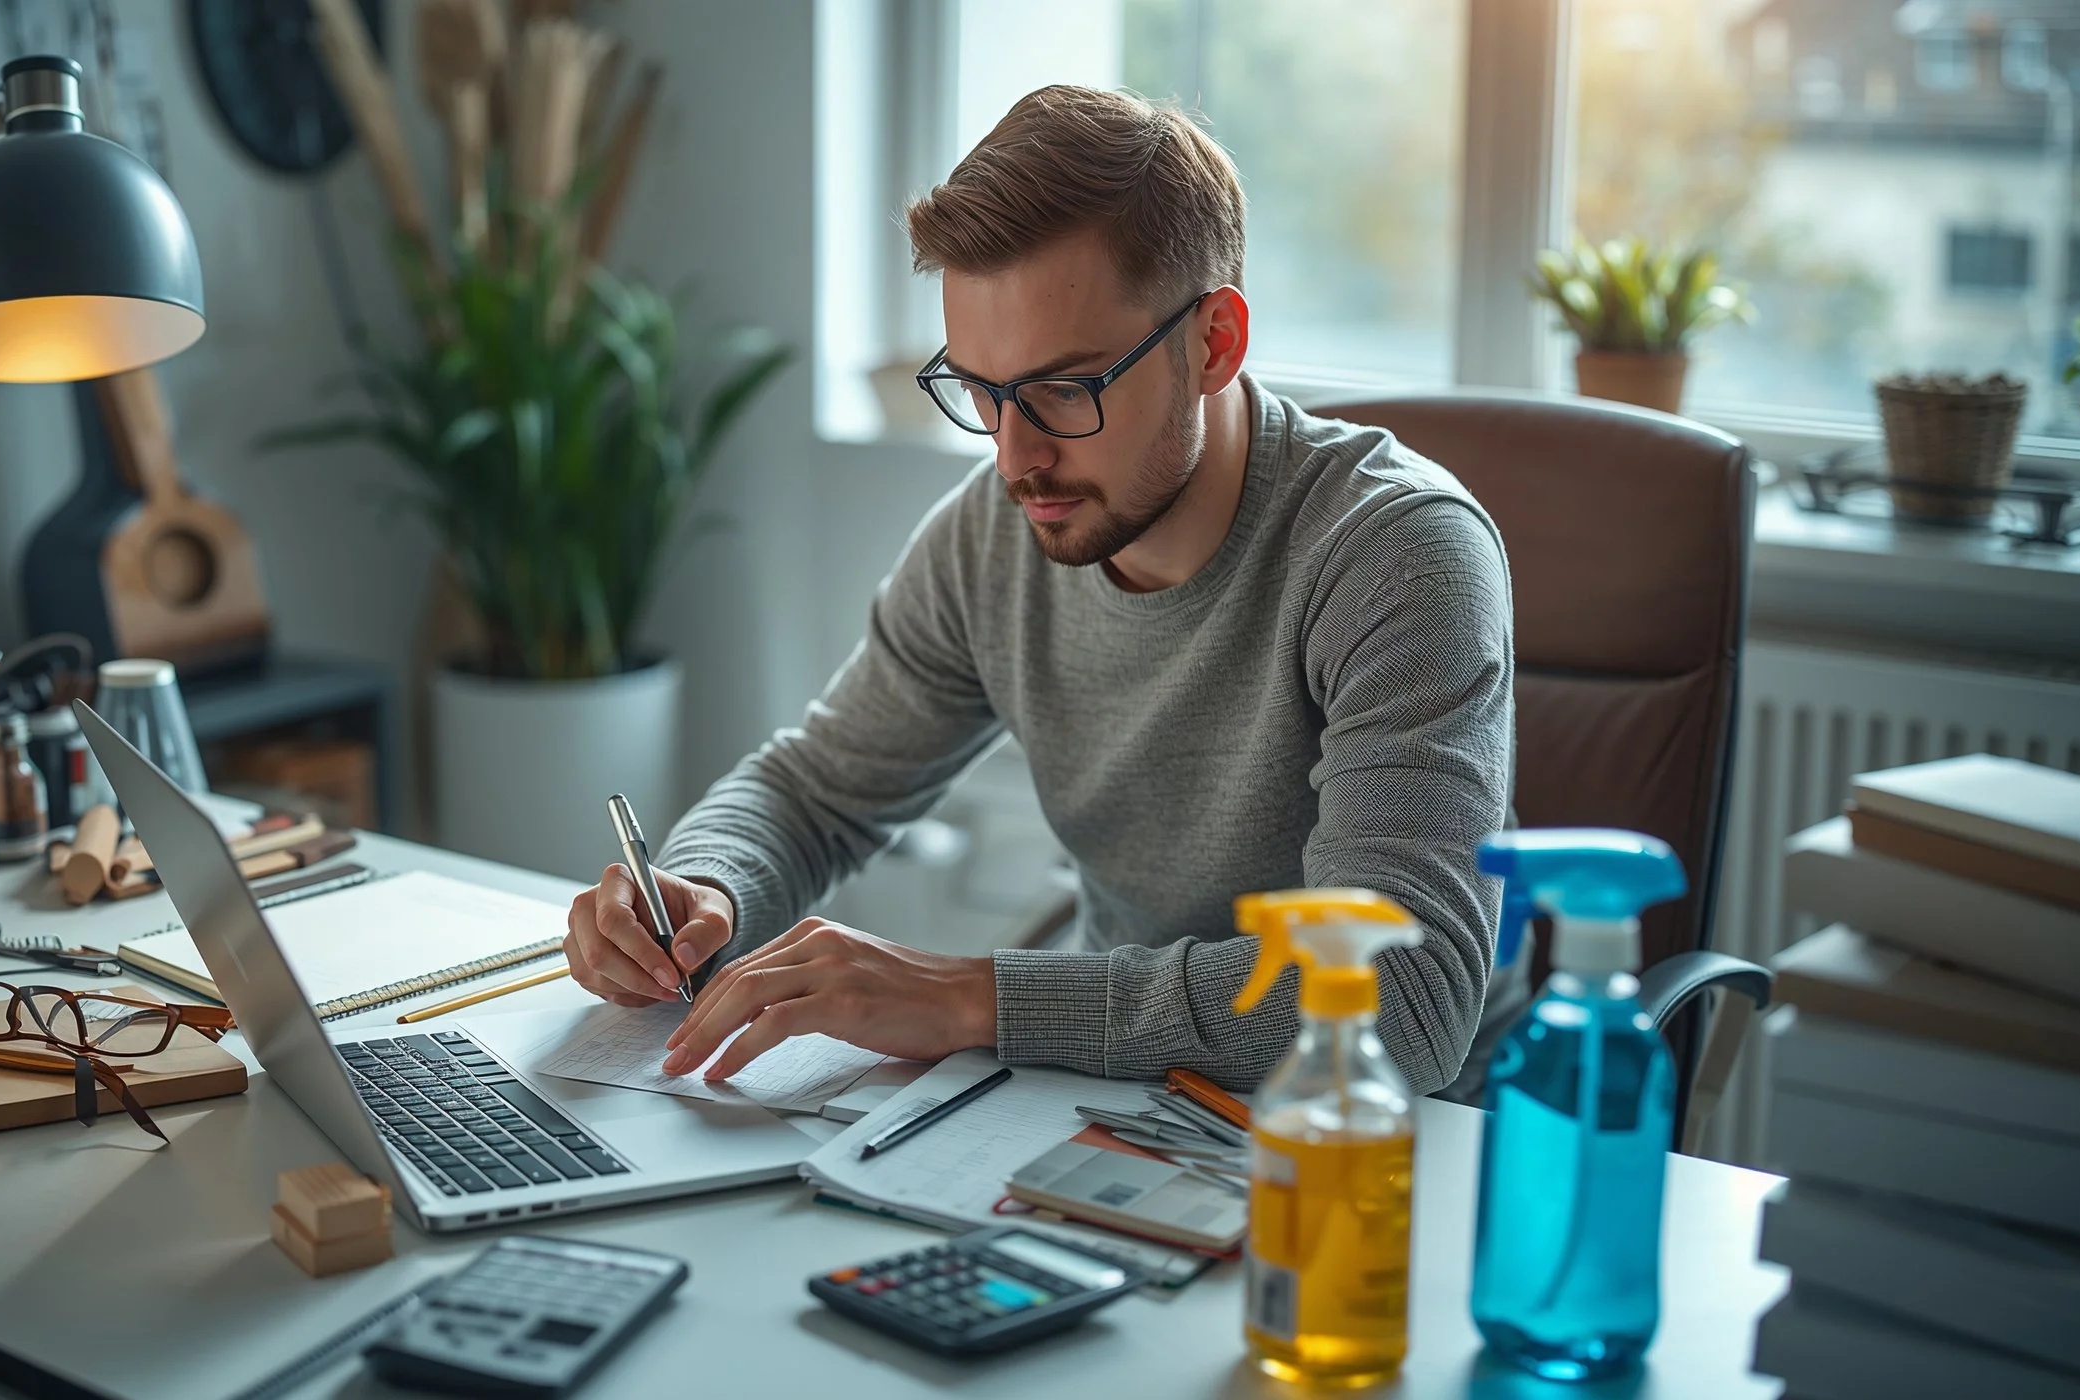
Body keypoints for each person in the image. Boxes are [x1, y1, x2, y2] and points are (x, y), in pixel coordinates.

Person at [562, 84, 1514, 1093]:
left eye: (1066, 389)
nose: (1016, 458)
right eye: (979, 388)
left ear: (1214, 344)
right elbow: (814, 792)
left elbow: (1402, 1006)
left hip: (1397, 1136)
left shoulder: (1396, 557)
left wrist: (973, 996)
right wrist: (703, 885)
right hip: (1126, 1098)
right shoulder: (995, 529)